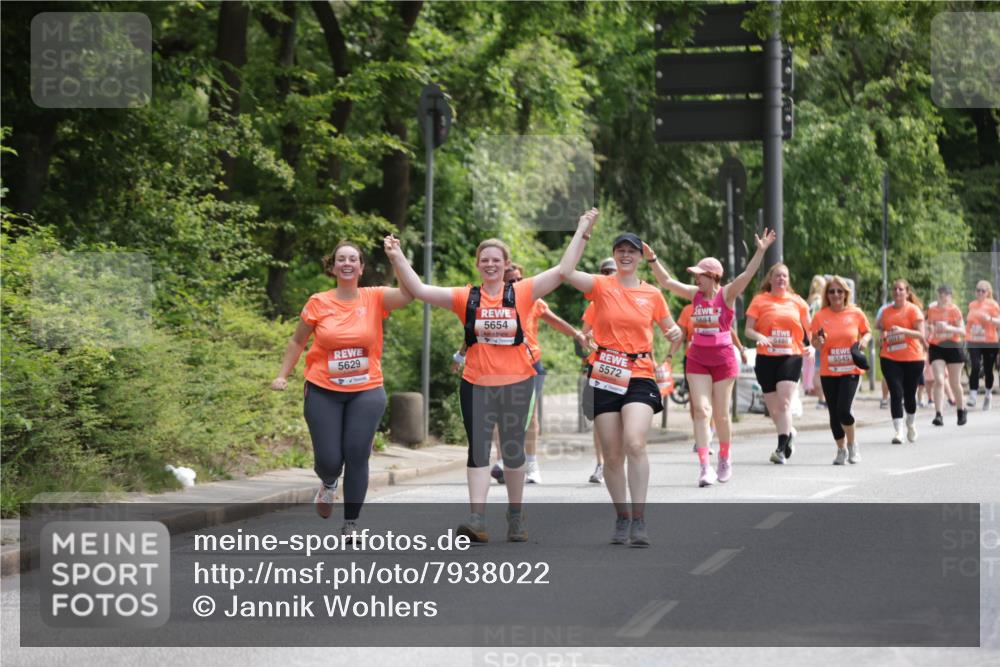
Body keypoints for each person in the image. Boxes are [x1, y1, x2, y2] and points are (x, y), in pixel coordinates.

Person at [385, 231, 566, 544]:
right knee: (479, 448)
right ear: (478, 265)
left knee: (512, 450)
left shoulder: (522, 292)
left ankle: (515, 513)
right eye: (485, 260)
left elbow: (563, 270)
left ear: (506, 264)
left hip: (518, 383)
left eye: (497, 260)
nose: (491, 264)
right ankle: (477, 518)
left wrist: (582, 232)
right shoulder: (465, 297)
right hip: (476, 384)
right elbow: (418, 289)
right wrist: (396, 256)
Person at [271, 240, 412, 537]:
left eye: (353, 259)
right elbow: (298, 341)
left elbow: (410, 293)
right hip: (323, 389)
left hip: (367, 389)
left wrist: (396, 257)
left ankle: (351, 523)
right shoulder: (318, 302)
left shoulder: (375, 297)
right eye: (341, 259)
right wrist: (283, 375)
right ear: (333, 267)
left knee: (357, 453)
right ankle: (328, 482)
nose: (347, 263)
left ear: (361, 268)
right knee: (329, 460)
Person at [560, 214, 684, 547]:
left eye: (632, 250)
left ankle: (640, 518)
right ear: (615, 256)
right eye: (621, 250)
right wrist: (582, 231)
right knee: (612, 455)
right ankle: (622, 516)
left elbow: (673, 331)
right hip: (605, 374)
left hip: (640, 373)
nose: (626, 255)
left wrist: (676, 333)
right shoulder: (602, 287)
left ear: (641, 257)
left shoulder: (652, 294)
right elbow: (566, 271)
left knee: (635, 442)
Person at [645, 229, 776, 487]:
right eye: (695, 276)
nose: (695, 279)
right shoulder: (694, 295)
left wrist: (761, 251)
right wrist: (653, 260)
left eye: (699, 276)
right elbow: (667, 282)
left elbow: (747, 275)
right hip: (697, 359)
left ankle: (725, 458)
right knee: (701, 411)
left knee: (721, 414)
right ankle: (705, 467)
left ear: (712, 276)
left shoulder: (726, 294)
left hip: (724, 359)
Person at [745, 264, 811, 465]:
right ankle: (788, 432)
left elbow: (811, 329)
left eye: (785, 276)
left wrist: (812, 347)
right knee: (775, 411)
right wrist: (759, 336)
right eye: (778, 275)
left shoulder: (797, 302)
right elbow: (748, 330)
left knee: (784, 404)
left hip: (790, 356)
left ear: (788, 280)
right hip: (765, 358)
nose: (782, 279)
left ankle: (781, 449)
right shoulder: (759, 300)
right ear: (771, 279)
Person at [672, 297, 747, 454]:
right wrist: (670, 355)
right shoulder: (688, 310)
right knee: (696, 405)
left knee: (713, 402)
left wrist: (740, 349)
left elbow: (729, 330)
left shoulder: (718, 307)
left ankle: (708, 437)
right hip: (693, 359)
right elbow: (680, 334)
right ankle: (701, 436)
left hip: (716, 357)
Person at [810, 276, 871, 465]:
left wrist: (864, 341)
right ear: (827, 294)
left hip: (850, 369)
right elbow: (814, 341)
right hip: (829, 371)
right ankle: (840, 449)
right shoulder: (820, 315)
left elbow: (867, 331)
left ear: (845, 293)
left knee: (844, 410)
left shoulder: (856, 313)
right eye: (831, 291)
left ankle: (853, 446)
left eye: (839, 291)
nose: (836, 294)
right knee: (834, 415)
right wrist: (818, 342)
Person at [581, 257, 620, 484]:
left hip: (626, 366)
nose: (608, 275)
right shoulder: (595, 303)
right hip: (600, 364)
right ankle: (600, 464)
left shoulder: (632, 298)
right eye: (604, 272)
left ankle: (615, 461)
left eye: (611, 272)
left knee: (621, 418)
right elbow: (584, 334)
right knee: (599, 416)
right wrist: (588, 341)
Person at [877, 279, 926, 444]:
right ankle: (898, 432)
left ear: (907, 292)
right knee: (896, 393)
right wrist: (882, 336)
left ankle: (910, 423)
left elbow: (921, 335)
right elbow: (882, 330)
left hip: (912, 358)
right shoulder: (886, 312)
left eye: (900, 289)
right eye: (895, 289)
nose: (897, 292)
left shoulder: (913, 310)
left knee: (909, 394)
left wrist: (902, 330)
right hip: (890, 357)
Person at [926, 285, 967, 426]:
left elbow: (963, 331)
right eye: (941, 294)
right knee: (939, 380)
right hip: (937, 347)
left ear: (950, 296)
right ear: (938, 295)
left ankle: (961, 410)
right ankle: (938, 415)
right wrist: (930, 330)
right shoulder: (932, 310)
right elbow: (928, 326)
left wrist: (948, 328)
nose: (943, 297)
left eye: (946, 295)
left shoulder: (954, 310)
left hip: (953, 346)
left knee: (955, 383)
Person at [966, 280, 1000, 411]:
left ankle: (987, 394)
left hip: (990, 341)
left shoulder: (993, 305)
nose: (980, 293)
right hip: (974, 340)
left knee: (988, 370)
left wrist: (990, 319)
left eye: (983, 291)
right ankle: (973, 396)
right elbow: (969, 322)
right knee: (974, 365)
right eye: (978, 290)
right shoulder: (972, 305)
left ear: (988, 292)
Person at [804, 275, 827, 401]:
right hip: (819, 338)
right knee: (819, 369)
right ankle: (822, 398)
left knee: (816, 368)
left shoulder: (810, 301)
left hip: (811, 338)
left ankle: (821, 398)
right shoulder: (819, 302)